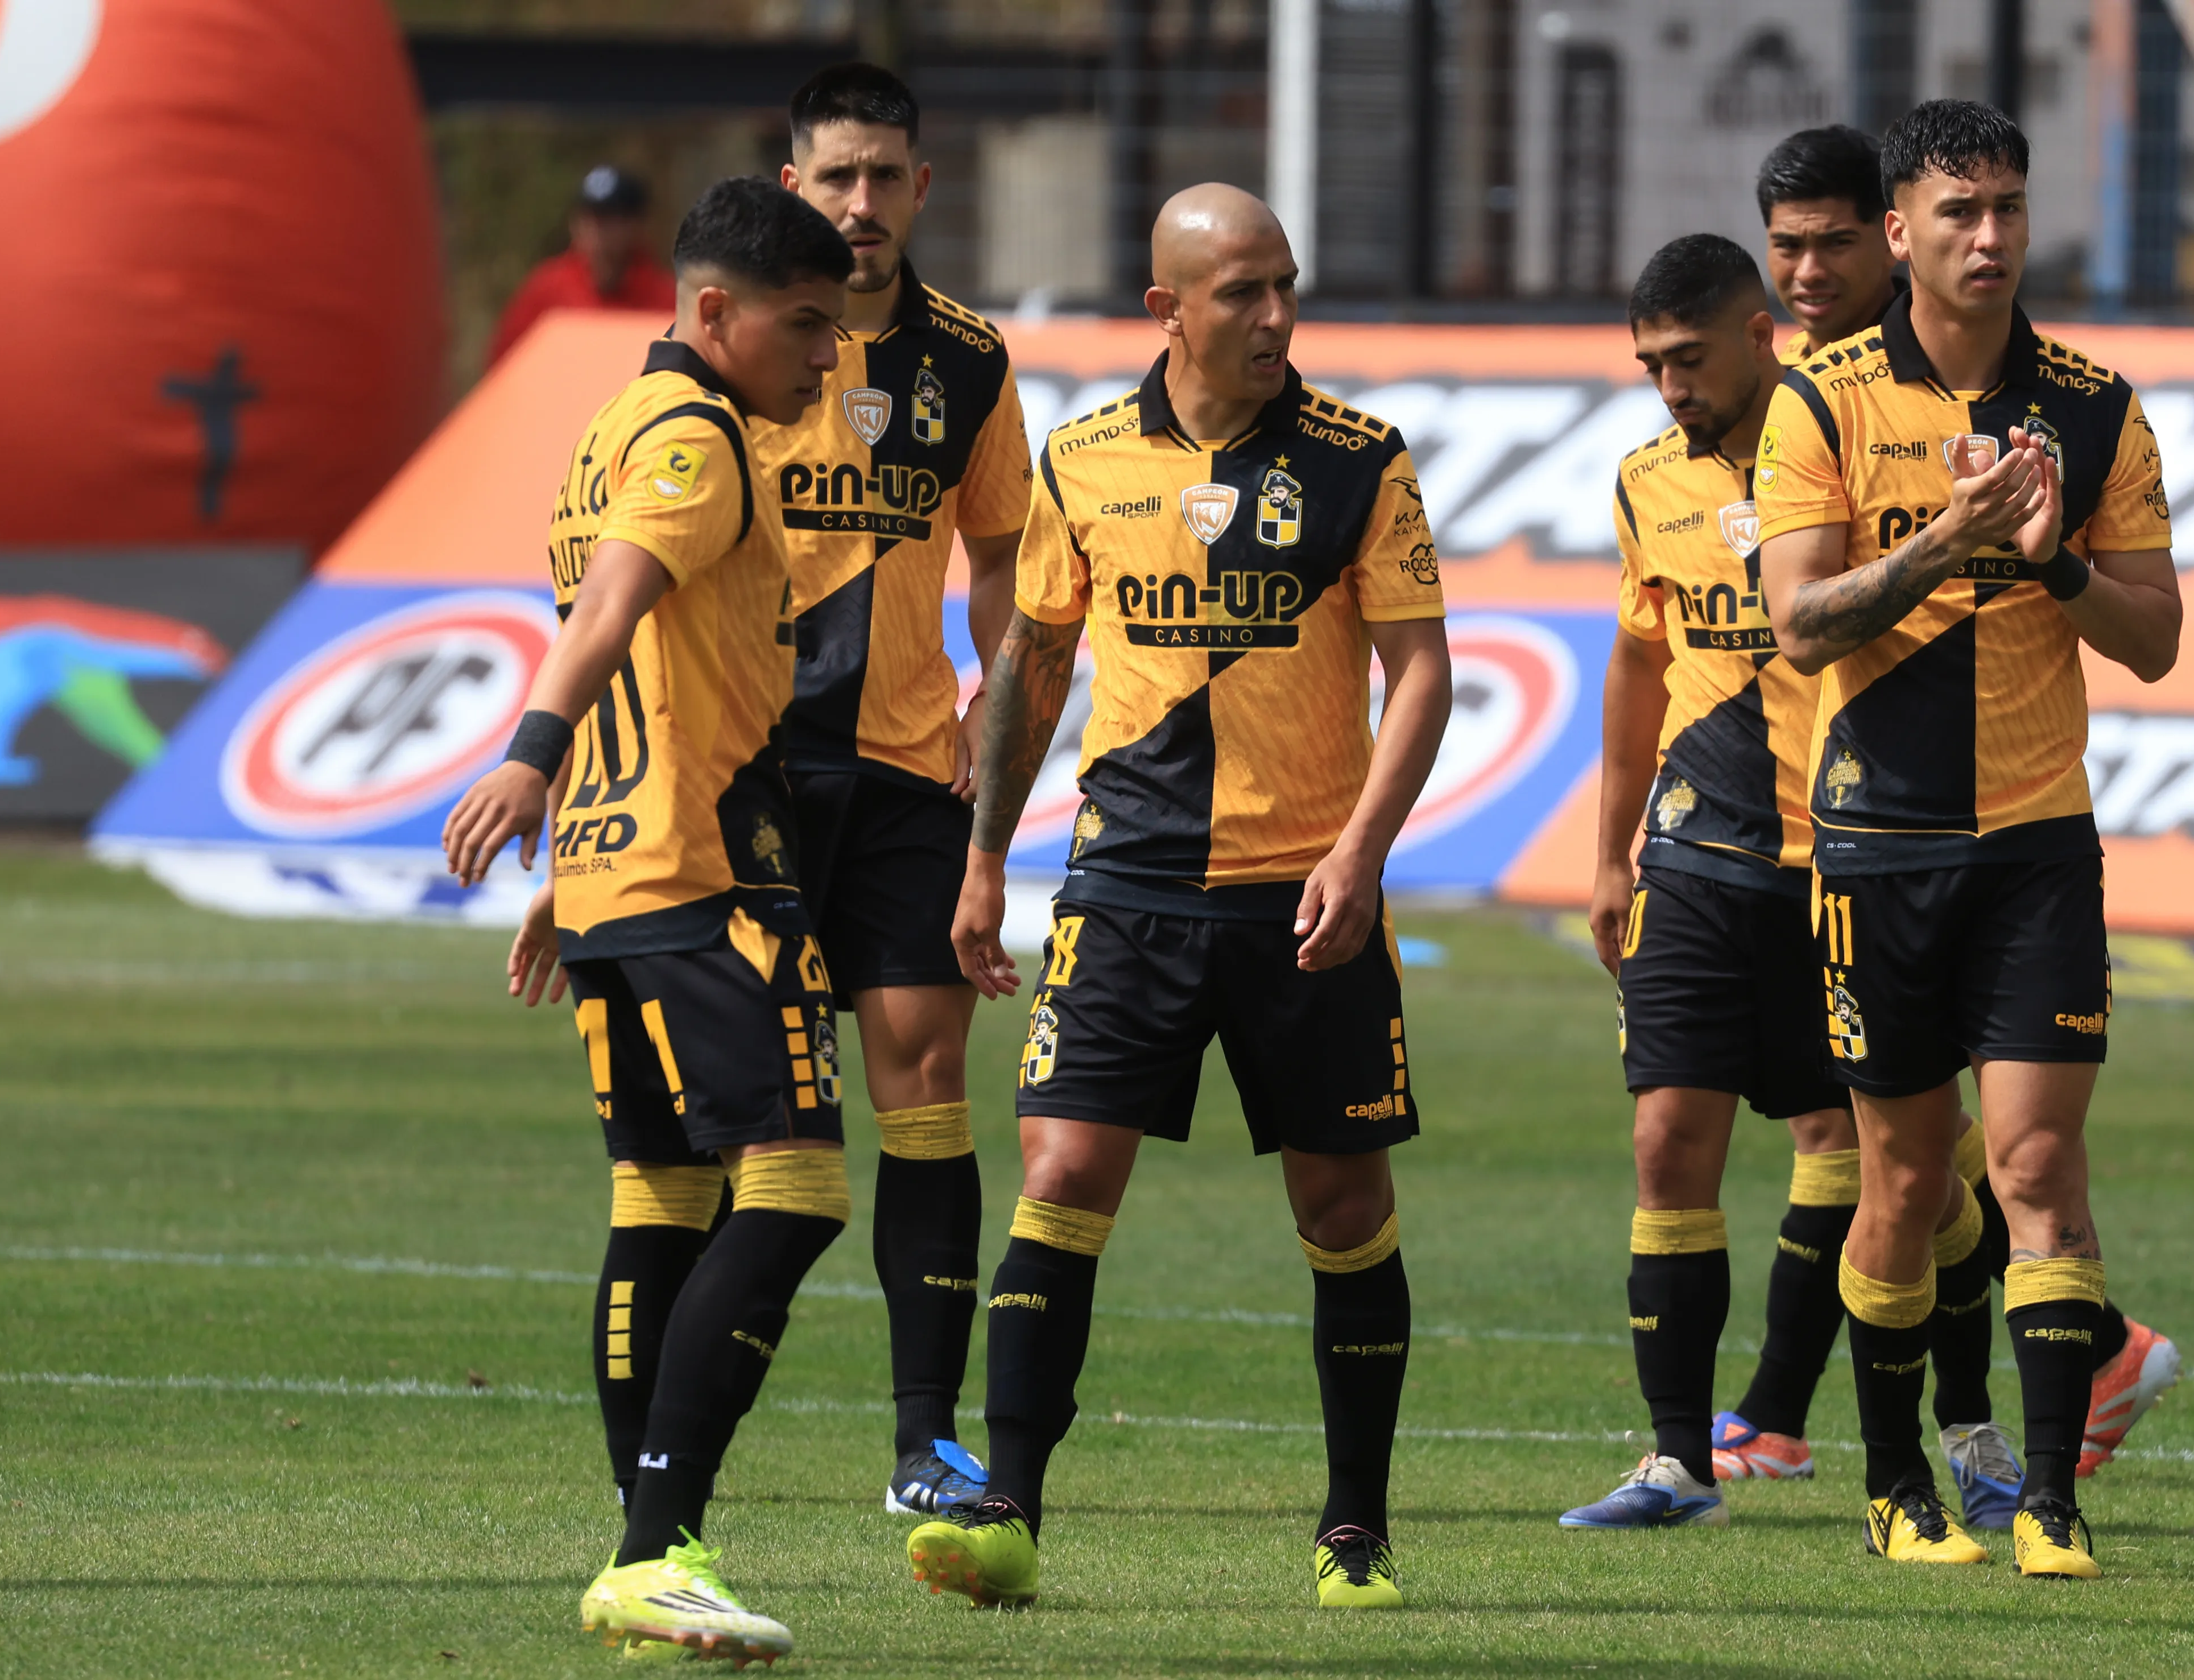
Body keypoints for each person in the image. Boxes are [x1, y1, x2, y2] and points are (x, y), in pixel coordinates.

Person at [896, 183, 1453, 1612]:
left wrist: (1360, 849)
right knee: (1063, 1172)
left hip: (1302, 891)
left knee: (1341, 1203)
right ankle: (1008, 1509)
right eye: (1240, 292)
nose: (1273, 315)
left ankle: (1352, 1529)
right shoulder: (1081, 460)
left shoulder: (1360, 460)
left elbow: (1422, 674)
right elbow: (1031, 663)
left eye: (1285, 286)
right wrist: (981, 854)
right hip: (1127, 880)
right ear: (1166, 310)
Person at [1717, 125, 2181, 1510]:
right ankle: (1893, 1483)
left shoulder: (2094, 405)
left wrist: (2051, 569)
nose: (1988, 237)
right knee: (1907, 1180)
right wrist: (1942, 539)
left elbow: (2153, 638)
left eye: (2009, 210)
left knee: (2036, 1158)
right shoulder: (1822, 402)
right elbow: (1796, 626)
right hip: (1876, 845)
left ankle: (2046, 1501)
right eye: (1957, 212)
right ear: (1901, 231)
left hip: (2038, 840)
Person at [441, 174, 855, 1658]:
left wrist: (575, 859)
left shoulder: (609, 430)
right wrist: (530, 758)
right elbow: (609, 610)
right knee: (796, 1192)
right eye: (806, 327)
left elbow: (640, 649)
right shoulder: (694, 436)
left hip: (626, 873)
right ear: (711, 314)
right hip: (707, 871)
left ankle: (654, 1544)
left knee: (664, 1202)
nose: (826, 358)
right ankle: (653, 1541)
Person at [760, 60, 1033, 1521]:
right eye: (835, 176)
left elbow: (1006, 563)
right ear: (792, 179)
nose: (860, 204)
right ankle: (676, 1445)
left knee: (927, 1086)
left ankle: (925, 1441)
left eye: (884, 177)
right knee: (748, 1126)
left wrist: (998, 704)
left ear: (923, 188)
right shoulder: (729, 345)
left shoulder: (971, 363)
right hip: (749, 771)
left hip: (907, 775)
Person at [1556, 234, 1848, 1532]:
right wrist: (1610, 847)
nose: (1668, 384)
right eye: (1649, 364)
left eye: (1687, 357)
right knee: (1668, 1135)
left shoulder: (1834, 451)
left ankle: (2071, 1331)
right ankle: (1677, 1459)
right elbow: (1634, 664)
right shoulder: (1640, 482)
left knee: (1877, 1148)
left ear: (1759, 333)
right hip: (1693, 857)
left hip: (1839, 852)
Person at [486, 166, 679, 369]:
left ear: (636, 225)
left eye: (609, 218)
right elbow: (504, 364)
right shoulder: (547, 289)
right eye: (589, 217)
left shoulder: (666, 298)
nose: (596, 229)